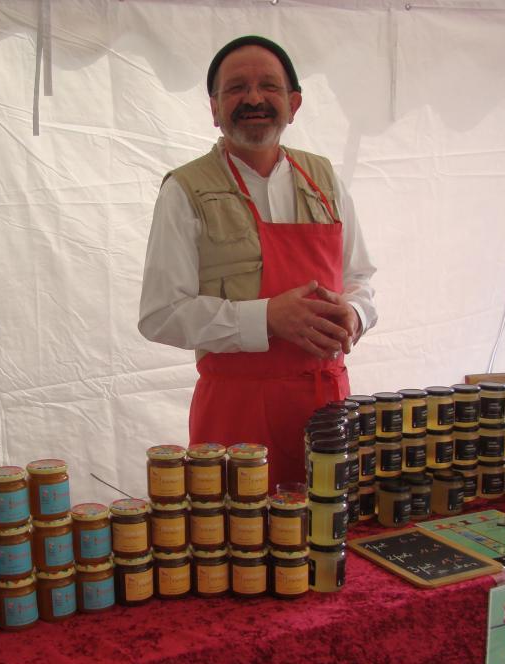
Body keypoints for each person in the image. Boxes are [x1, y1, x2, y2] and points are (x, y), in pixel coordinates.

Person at [138, 35, 377, 489]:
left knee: (328, 539)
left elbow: (360, 278)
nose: (253, 98)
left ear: (294, 102)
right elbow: (159, 315)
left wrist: (356, 313)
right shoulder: (185, 190)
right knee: (239, 546)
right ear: (214, 107)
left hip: (326, 406)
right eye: (236, 88)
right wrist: (266, 318)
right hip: (234, 415)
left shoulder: (326, 179)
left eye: (269, 86)